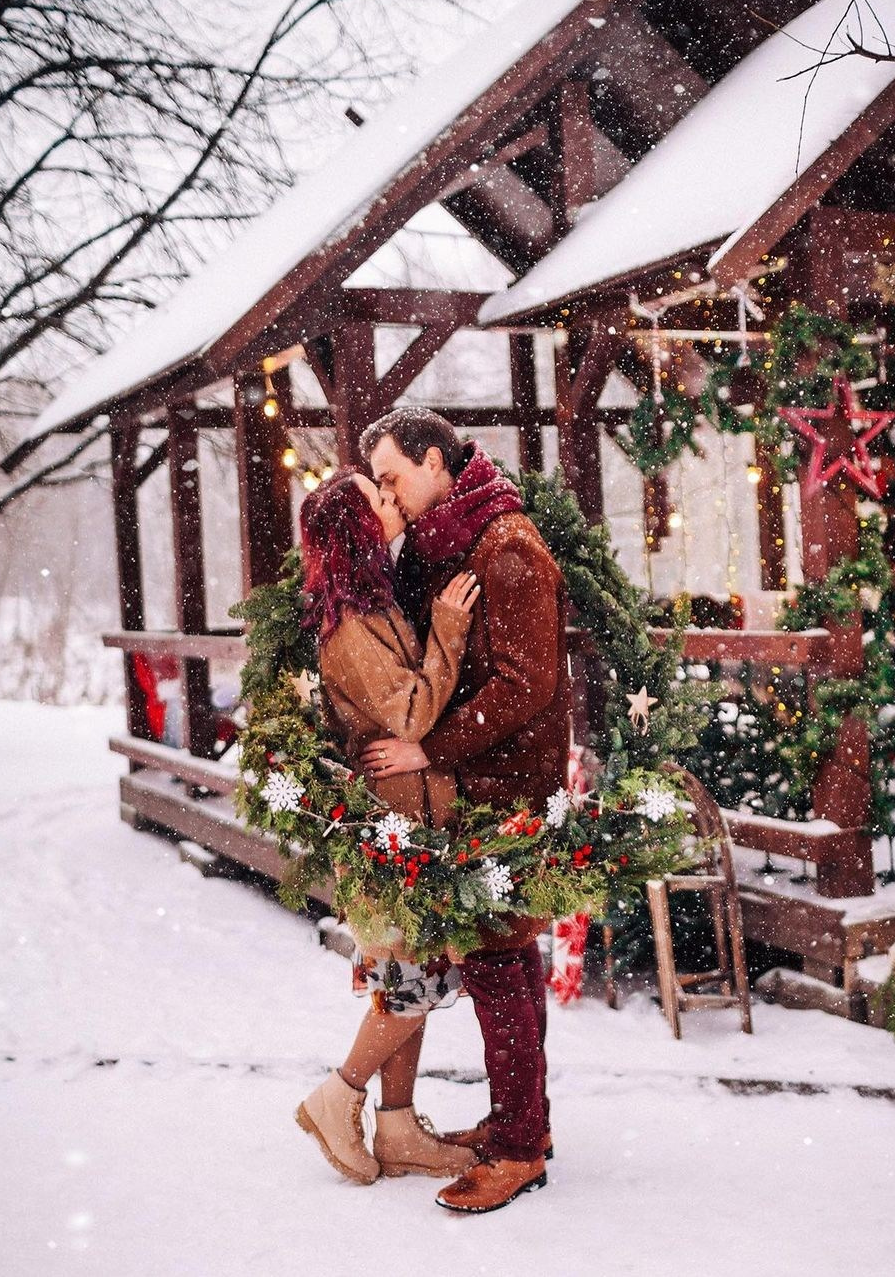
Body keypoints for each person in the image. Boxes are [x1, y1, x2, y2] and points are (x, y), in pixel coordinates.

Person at [359, 408, 570, 1215]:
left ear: (440, 463)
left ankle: (518, 1149)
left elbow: (528, 684)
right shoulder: (458, 543)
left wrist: (430, 749)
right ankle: (525, 1124)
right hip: (487, 787)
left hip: (507, 792)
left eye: (393, 477)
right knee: (503, 962)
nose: (389, 494)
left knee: (495, 964)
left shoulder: (505, 550)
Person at [293, 469, 481, 1186]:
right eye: (378, 498)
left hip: (414, 821)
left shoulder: (376, 607)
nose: (393, 499)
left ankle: (397, 1127)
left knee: (412, 977)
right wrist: (450, 629)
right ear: (359, 529)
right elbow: (408, 713)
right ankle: (337, 1095)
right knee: (416, 982)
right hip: (385, 835)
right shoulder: (348, 632)